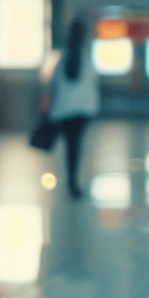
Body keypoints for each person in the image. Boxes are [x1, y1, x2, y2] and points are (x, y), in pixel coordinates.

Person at [47, 19, 99, 198]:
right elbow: (92, 85)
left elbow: (54, 85)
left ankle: (70, 180)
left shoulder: (63, 57)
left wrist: (51, 110)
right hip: (81, 111)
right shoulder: (86, 57)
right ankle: (72, 182)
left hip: (63, 110)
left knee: (69, 146)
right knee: (75, 146)